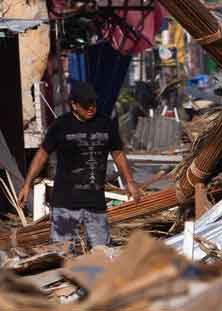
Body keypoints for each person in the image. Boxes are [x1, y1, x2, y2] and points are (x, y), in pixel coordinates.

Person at [18, 81, 141, 248]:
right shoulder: (61, 126)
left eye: (93, 103)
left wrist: (130, 182)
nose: (91, 108)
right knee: (63, 255)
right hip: (65, 205)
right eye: (86, 104)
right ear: (74, 105)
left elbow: (118, 153)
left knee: (102, 254)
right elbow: (42, 155)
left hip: (95, 203)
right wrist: (27, 184)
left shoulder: (106, 124)